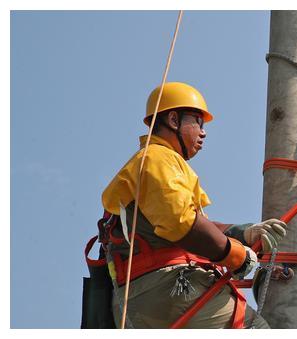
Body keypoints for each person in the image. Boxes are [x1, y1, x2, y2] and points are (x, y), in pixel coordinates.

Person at [100, 82, 287, 328]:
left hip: (140, 296)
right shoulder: (157, 158)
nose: (203, 132)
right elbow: (184, 224)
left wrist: (243, 233)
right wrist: (236, 255)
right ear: (174, 120)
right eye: (197, 121)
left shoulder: (154, 163)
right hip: (169, 288)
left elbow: (197, 223)